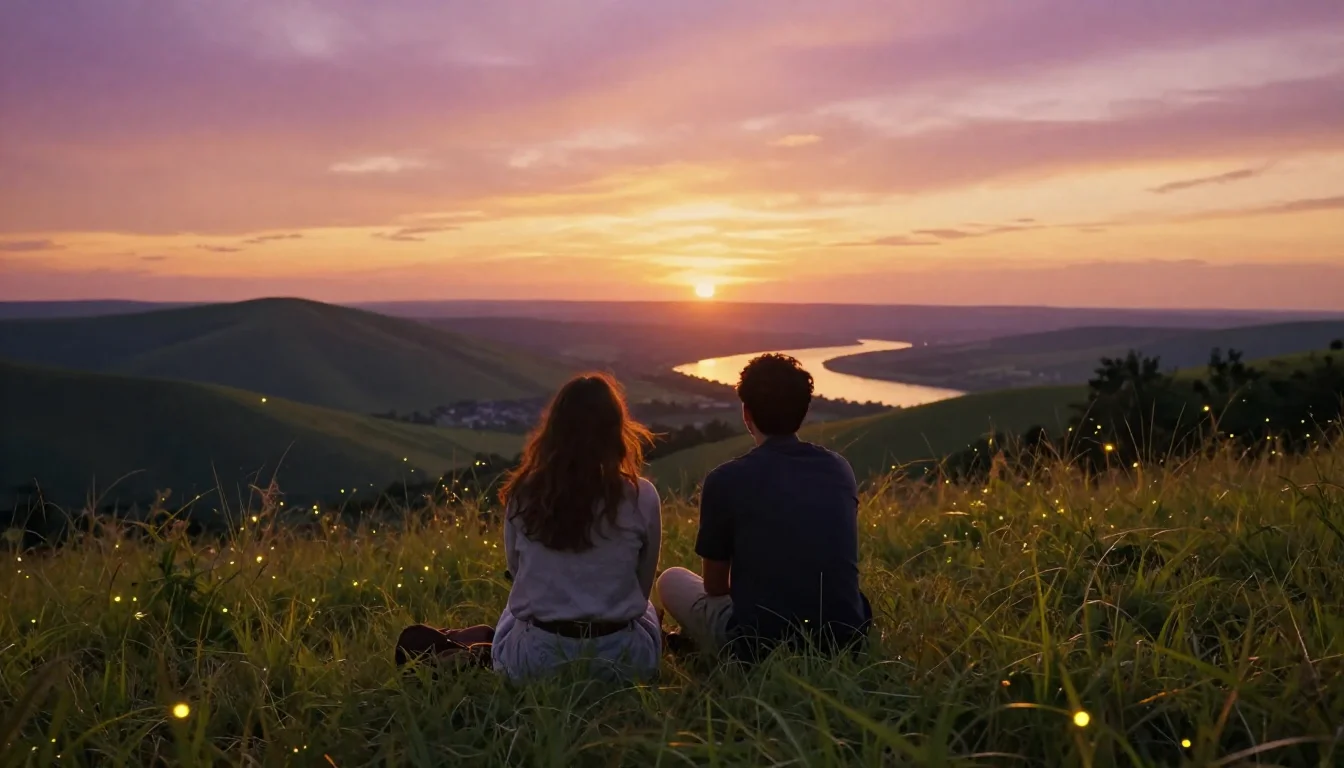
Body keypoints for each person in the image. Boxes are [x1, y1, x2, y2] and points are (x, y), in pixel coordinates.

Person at [657, 354, 872, 660]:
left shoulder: (725, 480)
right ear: (804, 410)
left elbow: (715, 587)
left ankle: (697, 644)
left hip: (758, 646)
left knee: (671, 579)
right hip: (845, 637)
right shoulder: (839, 469)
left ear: (747, 413)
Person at [490, 373, 663, 681]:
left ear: (554, 430)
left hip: (535, 663)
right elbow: (642, 585)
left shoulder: (524, 494)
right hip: (624, 663)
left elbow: (518, 573)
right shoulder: (643, 495)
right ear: (616, 432)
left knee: (513, 609)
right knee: (646, 607)